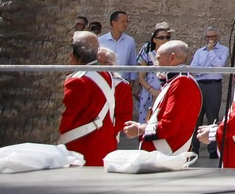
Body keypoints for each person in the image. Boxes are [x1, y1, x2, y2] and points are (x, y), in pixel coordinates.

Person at [124, 39, 201, 154]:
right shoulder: (175, 81)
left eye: (158, 58)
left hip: (167, 153)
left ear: (172, 58)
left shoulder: (182, 83)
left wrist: (140, 129)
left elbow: (169, 126)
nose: (155, 63)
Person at [59, 32, 120, 166]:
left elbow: (62, 121)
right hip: (102, 147)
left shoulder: (77, 82)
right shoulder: (105, 74)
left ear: (72, 54)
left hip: (81, 152)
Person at [192, 26, 230, 158]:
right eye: (207, 37)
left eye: (212, 37)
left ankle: (212, 148)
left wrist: (211, 52)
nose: (210, 40)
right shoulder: (199, 52)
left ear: (217, 37)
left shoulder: (223, 50)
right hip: (200, 84)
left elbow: (219, 66)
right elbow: (194, 69)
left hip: (213, 85)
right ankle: (194, 148)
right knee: (197, 116)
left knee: (212, 116)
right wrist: (206, 69)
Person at [133, 23, 173, 123]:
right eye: (162, 37)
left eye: (167, 37)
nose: (165, 40)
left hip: (165, 89)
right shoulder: (147, 50)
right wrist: (152, 91)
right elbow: (141, 75)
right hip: (149, 90)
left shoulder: (173, 51)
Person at [97, 9, 137, 83]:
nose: (125, 24)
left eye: (126, 21)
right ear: (114, 23)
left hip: (122, 81)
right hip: (104, 81)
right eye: (123, 21)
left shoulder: (130, 41)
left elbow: (132, 63)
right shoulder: (101, 40)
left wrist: (131, 85)